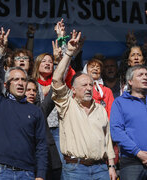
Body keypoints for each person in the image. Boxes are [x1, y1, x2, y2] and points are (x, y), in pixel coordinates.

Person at [0, 32, 48, 180]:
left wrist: (41, 175)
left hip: (27, 173)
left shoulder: (36, 111)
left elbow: (41, 146)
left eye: (23, 80)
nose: (20, 83)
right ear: (6, 84)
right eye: (15, 79)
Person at [52, 30, 116, 180]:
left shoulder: (100, 109)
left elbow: (107, 140)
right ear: (73, 90)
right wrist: (68, 53)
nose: (88, 88)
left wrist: (111, 166)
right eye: (84, 85)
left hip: (101, 168)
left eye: (90, 85)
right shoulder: (66, 105)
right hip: (75, 169)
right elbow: (56, 80)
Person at [110, 65, 147, 180]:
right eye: (140, 75)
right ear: (130, 81)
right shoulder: (119, 103)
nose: (145, 77)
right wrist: (138, 153)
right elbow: (116, 131)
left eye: (146, 75)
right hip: (131, 162)